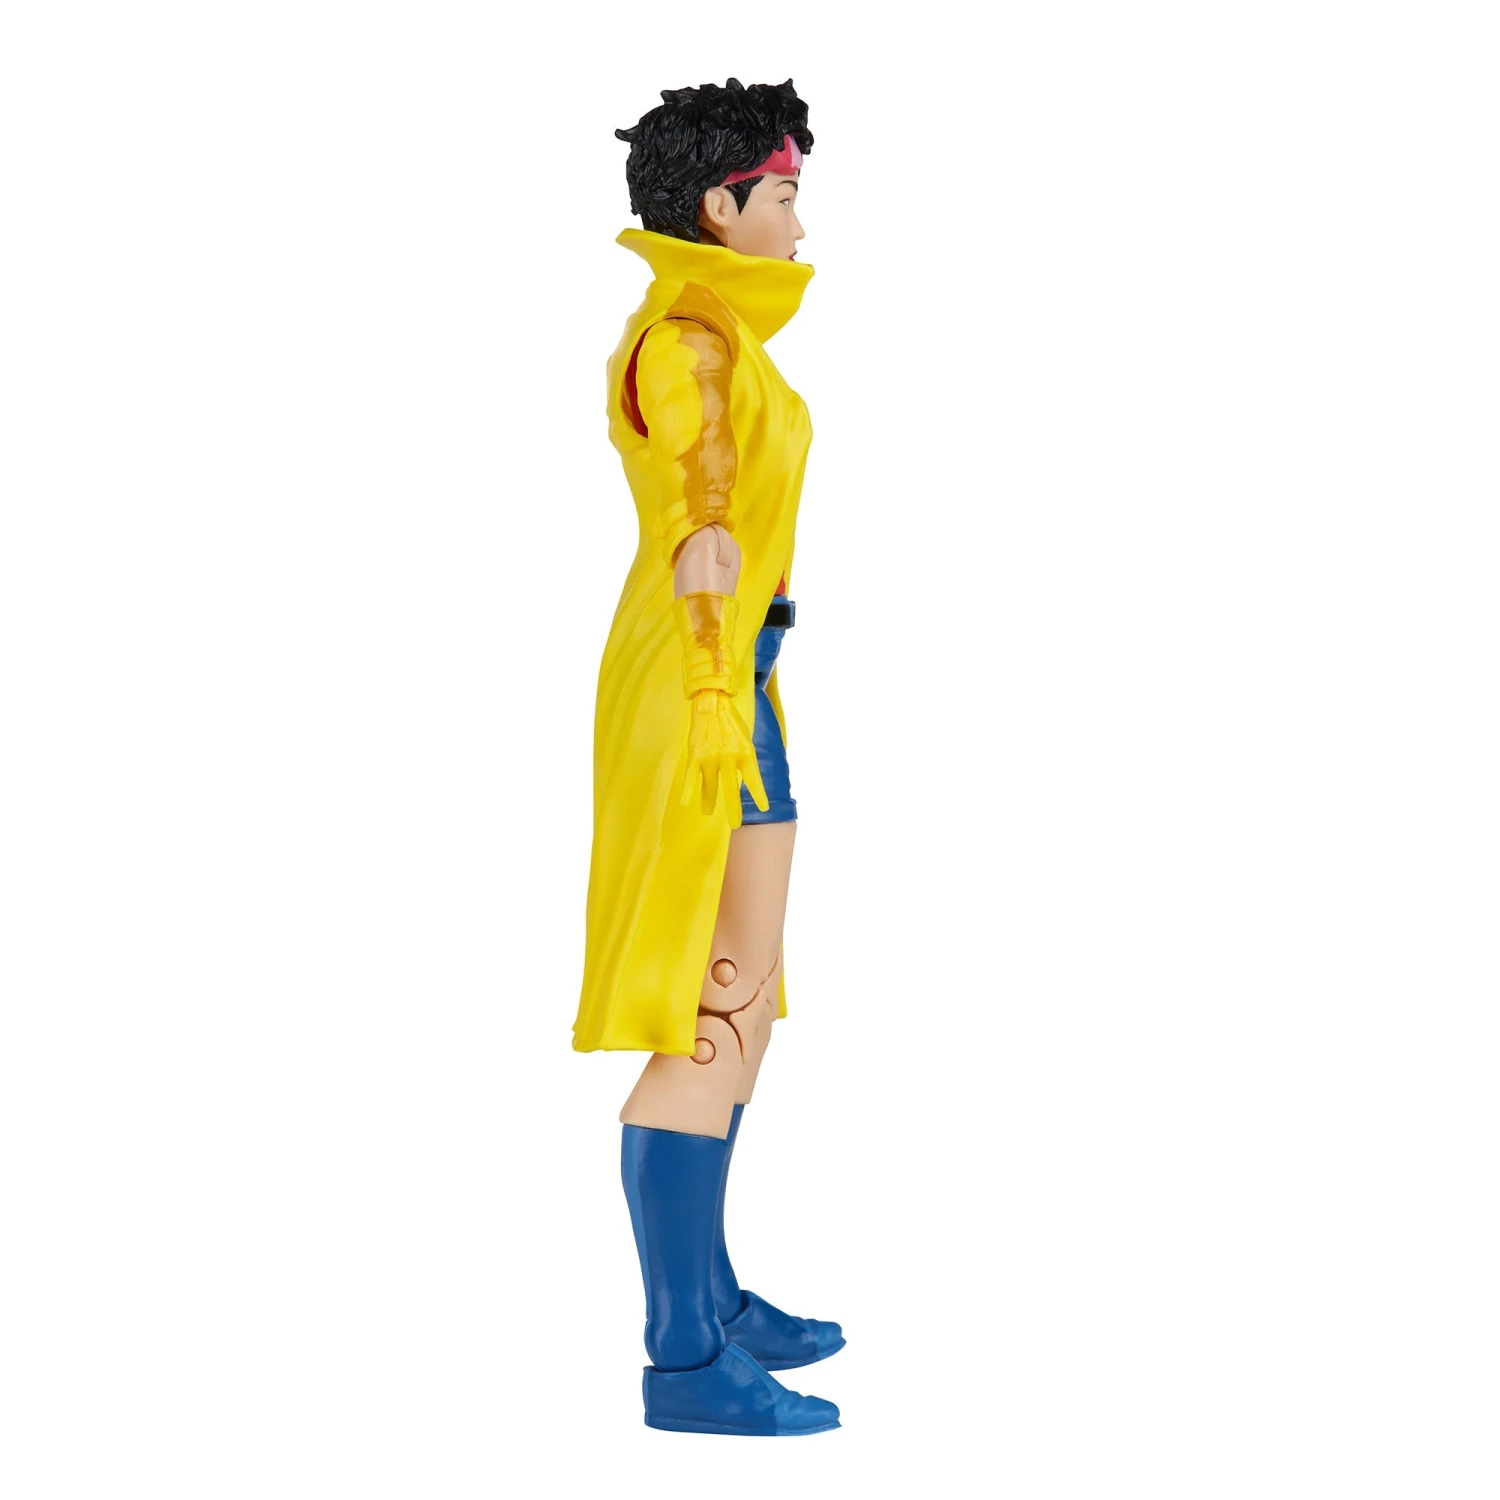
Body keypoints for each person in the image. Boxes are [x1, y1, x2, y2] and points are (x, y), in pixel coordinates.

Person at [572, 78, 843, 1436]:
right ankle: (682, 1352)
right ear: (721, 205)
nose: (800, 219)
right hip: (703, 693)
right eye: (783, 193)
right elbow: (705, 532)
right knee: (713, 1006)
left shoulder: (718, 332)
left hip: (740, 679)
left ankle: (714, 1296)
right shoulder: (689, 344)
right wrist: (713, 700)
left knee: (748, 996)